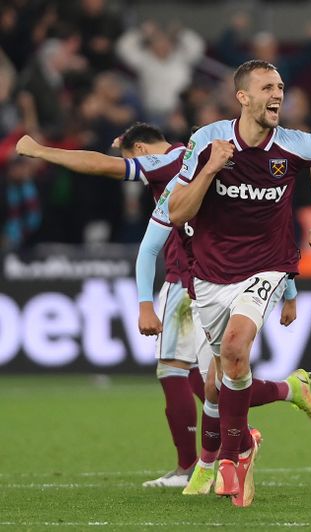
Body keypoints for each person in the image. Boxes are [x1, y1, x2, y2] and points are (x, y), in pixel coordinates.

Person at [168, 59, 311, 507]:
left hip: (268, 265)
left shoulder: (297, 144)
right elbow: (178, 213)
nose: (278, 94)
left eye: (280, 86)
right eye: (267, 87)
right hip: (211, 272)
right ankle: (260, 425)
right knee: (220, 379)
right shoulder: (207, 141)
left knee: (237, 349)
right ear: (242, 97)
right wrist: (210, 169)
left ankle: (228, 459)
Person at [15, 123, 206, 487]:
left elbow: (102, 165)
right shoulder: (187, 154)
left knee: (172, 370)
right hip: (215, 274)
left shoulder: (167, 161)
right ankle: (247, 428)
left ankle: (191, 466)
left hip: (188, 280)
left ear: (141, 151)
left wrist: (41, 150)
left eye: (131, 157)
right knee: (204, 372)